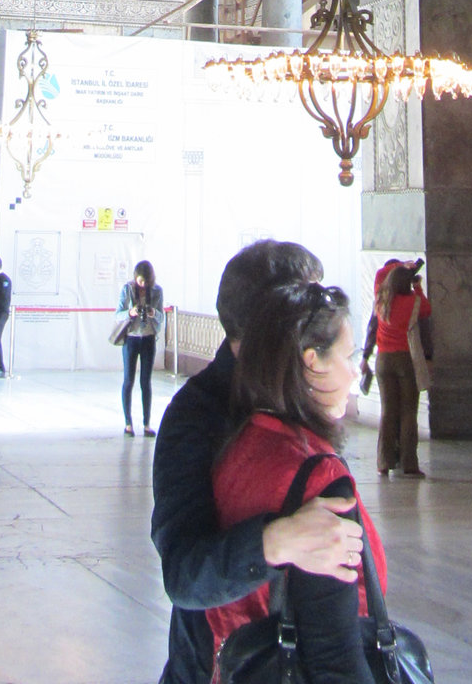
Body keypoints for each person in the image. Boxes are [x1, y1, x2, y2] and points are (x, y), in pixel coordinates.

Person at [151, 240, 364, 684]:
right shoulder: (199, 416)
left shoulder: (295, 405)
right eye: (302, 305)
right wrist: (275, 542)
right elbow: (184, 574)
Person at [207, 279, 382, 684]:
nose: (355, 370)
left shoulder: (240, 447)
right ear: (311, 361)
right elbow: (334, 658)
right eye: (348, 355)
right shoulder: (318, 480)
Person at [359, 257, 432, 477]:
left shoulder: (381, 300)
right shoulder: (413, 302)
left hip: (383, 360)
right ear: (406, 283)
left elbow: (383, 279)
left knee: (387, 411)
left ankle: (383, 461)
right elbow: (426, 310)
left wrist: (398, 269)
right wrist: (417, 286)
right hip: (405, 358)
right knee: (409, 411)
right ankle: (409, 463)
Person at [118, 259, 165, 438]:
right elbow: (118, 314)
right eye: (140, 281)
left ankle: (146, 424)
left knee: (146, 382)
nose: (143, 285)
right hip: (131, 338)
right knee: (128, 380)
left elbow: (161, 318)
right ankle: (128, 423)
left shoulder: (157, 291)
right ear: (135, 278)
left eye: (146, 281)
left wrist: (153, 313)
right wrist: (130, 313)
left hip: (148, 339)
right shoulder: (128, 289)